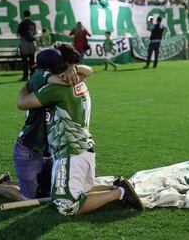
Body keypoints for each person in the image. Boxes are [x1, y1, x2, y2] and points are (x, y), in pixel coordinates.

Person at [16, 45, 144, 215]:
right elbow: (87, 70)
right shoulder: (79, 79)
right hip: (84, 148)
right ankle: (117, 186)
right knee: (82, 189)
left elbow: (22, 103)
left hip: (70, 152)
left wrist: (28, 84)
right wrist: (71, 68)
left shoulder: (57, 88)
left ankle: (119, 193)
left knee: (65, 205)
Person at [0, 47, 80, 201]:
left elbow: (86, 71)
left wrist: (71, 67)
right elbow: (63, 80)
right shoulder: (41, 75)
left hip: (45, 150)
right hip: (29, 148)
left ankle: (6, 182)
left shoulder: (41, 75)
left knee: (47, 193)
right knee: (27, 198)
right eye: (61, 63)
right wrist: (70, 70)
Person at [18, 10, 37, 81]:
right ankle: (33, 76)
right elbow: (35, 33)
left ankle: (25, 76)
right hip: (32, 43)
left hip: (24, 43)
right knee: (32, 60)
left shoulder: (22, 24)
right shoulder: (33, 23)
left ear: (24, 15)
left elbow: (18, 34)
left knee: (25, 61)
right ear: (30, 15)